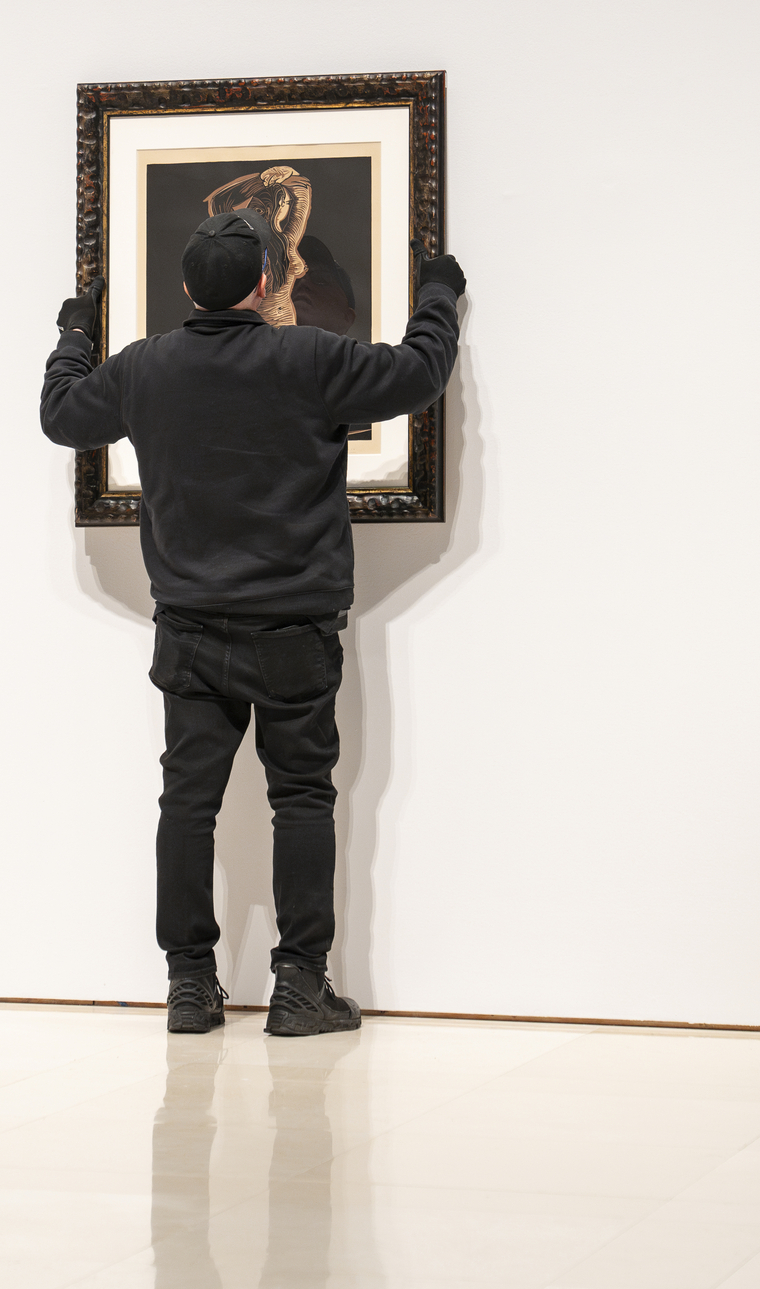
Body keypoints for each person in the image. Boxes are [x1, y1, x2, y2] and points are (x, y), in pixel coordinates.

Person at [40, 210, 464, 1036]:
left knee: (187, 802)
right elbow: (419, 373)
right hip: (296, 628)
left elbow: (61, 414)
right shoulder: (308, 355)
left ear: (186, 289)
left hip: (190, 627)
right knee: (301, 798)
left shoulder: (145, 368)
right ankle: (300, 987)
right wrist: (438, 292)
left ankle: (191, 988)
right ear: (267, 285)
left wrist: (72, 328)